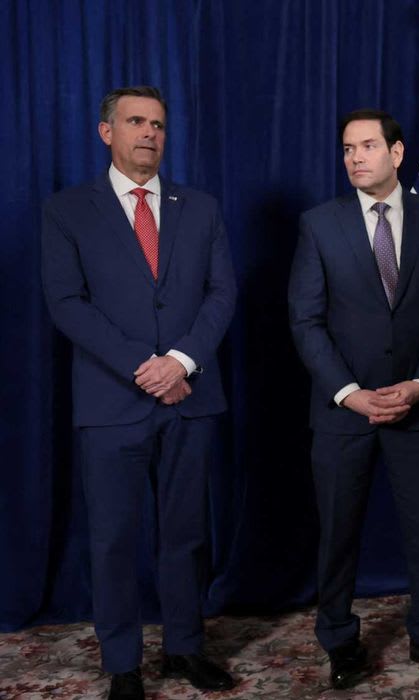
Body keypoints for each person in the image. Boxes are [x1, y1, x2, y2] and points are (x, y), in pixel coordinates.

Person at [40, 86, 237, 700]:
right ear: (107, 133)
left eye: (157, 124)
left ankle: (184, 650)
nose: (148, 133)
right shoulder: (68, 211)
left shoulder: (199, 208)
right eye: (135, 122)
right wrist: (144, 366)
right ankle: (123, 665)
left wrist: (179, 362)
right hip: (111, 405)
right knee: (114, 538)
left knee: (185, 536)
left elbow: (221, 293)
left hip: (190, 397)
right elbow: (67, 304)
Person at [288, 109, 419, 689]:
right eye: (347, 149)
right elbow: (306, 320)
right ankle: (340, 640)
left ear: (397, 151)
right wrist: (349, 394)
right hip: (344, 412)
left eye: (367, 146)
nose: (355, 158)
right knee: (338, 533)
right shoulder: (319, 225)